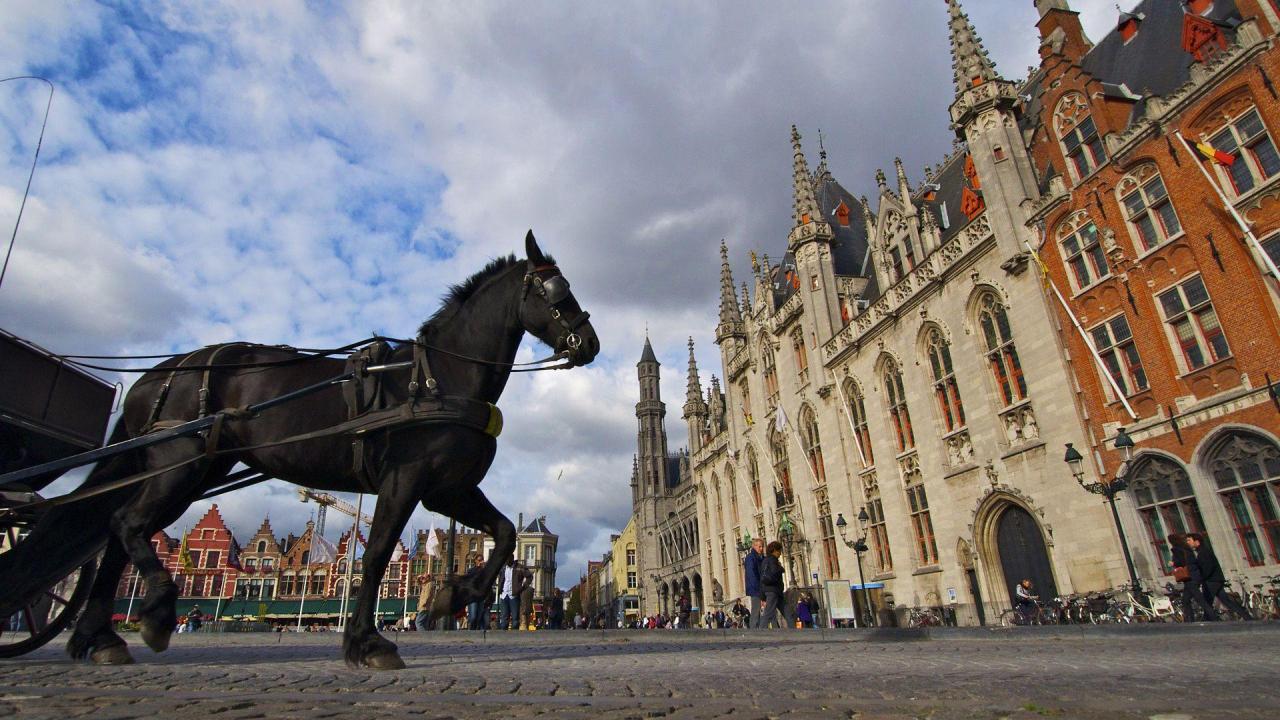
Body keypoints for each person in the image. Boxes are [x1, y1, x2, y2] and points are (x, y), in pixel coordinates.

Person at [1187, 533, 1253, 621]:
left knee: (1207, 602)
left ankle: (1209, 620)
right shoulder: (1203, 552)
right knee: (1226, 601)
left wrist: (1201, 578)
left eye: (1189, 540)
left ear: (1197, 542)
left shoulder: (1203, 552)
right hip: (1215, 579)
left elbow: (1208, 568)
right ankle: (1247, 616)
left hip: (1211, 581)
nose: (1188, 542)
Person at [1168, 532, 1213, 622]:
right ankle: (1189, 619)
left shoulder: (1176, 549)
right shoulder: (1186, 548)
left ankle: (1212, 616)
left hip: (1189, 577)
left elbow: (1182, 562)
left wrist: (1173, 563)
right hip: (1194, 576)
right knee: (1186, 599)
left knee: (1199, 599)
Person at [759, 541, 786, 629]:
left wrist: (763, 594)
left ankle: (793, 631)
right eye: (779, 551)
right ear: (774, 550)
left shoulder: (765, 560)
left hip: (773, 590)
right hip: (773, 590)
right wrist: (781, 568)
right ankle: (760, 632)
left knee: (787, 612)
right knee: (768, 613)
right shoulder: (772, 560)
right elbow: (774, 573)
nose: (780, 553)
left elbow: (762, 578)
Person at [743, 538, 764, 629]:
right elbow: (752, 575)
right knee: (756, 610)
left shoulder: (759, 557)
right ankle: (753, 630)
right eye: (759, 546)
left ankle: (758, 629)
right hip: (755, 588)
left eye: (762, 546)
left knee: (760, 611)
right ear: (754, 546)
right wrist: (758, 588)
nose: (761, 549)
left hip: (760, 587)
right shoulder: (750, 557)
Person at [498, 558, 519, 630]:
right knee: (504, 620)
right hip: (504, 595)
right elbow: (501, 579)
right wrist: (500, 589)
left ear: (512, 559)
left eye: (509, 560)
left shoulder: (517, 568)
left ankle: (514, 635)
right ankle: (503, 635)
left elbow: (529, 576)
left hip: (513, 595)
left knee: (515, 619)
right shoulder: (503, 568)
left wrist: (522, 587)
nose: (507, 561)